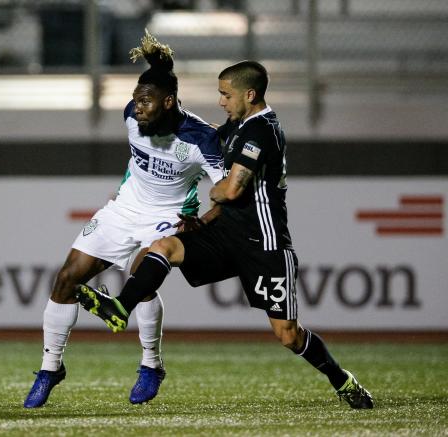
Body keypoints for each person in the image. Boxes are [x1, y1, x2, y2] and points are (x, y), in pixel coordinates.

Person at [76, 60, 374, 409]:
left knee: (288, 335)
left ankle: (343, 381)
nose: (221, 101)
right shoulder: (236, 124)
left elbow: (230, 190)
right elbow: (201, 144)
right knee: (165, 247)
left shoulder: (262, 130)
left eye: (225, 94)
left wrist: (215, 195)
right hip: (225, 234)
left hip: (264, 244)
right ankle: (119, 308)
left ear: (250, 94)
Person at [23, 30, 224, 408]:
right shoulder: (133, 116)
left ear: (168, 102)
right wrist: (121, 191)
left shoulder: (203, 139)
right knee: (66, 278)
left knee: (140, 278)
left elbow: (226, 191)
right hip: (124, 209)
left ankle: (151, 364)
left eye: (146, 101)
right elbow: (137, 161)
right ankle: (50, 369)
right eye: (135, 100)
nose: (138, 107)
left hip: (166, 217)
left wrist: (201, 218)